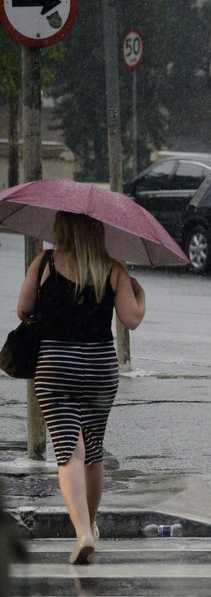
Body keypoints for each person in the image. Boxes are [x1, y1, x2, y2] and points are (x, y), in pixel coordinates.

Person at [15, 211, 146, 564]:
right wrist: (139, 293)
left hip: (56, 366)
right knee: (93, 451)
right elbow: (131, 319)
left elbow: (23, 309)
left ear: (61, 228)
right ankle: (92, 523)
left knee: (68, 452)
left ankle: (83, 532)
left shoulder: (44, 262)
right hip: (100, 368)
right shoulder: (112, 269)